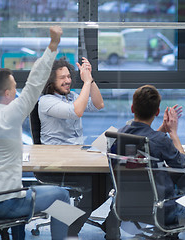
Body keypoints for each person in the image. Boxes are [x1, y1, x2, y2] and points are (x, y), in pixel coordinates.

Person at [102, 85, 185, 240]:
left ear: (132, 108)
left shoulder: (119, 135)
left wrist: (161, 130)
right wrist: (173, 133)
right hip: (164, 211)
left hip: (127, 207)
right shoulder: (160, 141)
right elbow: (183, 164)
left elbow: (145, 143)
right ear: (157, 112)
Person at [0, 25, 70, 240]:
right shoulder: (10, 115)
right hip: (7, 203)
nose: (17, 90)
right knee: (63, 196)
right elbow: (35, 82)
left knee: (24, 190)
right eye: (13, 87)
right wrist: (53, 44)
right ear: (7, 93)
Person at [37, 56, 105, 237]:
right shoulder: (46, 101)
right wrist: (87, 83)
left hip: (77, 159)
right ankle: (69, 227)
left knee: (106, 182)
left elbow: (98, 104)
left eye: (69, 76)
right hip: (56, 165)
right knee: (98, 186)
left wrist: (90, 79)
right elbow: (77, 111)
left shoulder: (72, 96)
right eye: (62, 78)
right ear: (51, 80)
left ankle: (70, 224)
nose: (68, 81)